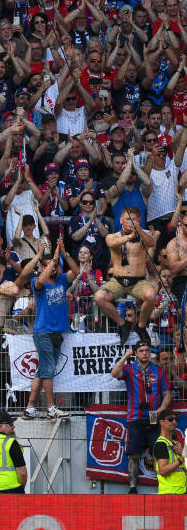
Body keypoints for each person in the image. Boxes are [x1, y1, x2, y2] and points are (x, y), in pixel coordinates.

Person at [111, 341, 171, 493]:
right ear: (136, 353)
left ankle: (163, 486)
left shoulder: (158, 371)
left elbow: (167, 394)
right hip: (135, 418)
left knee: (159, 453)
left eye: (147, 350)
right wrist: (125, 356)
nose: (145, 353)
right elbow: (114, 373)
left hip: (154, 418)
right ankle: (132, 487)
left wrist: (160, 410)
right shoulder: (130, 369)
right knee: (134, 454)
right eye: (141, 350)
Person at [96, 207, 158, 347]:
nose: (131, 222)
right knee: (99, 297)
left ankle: (141, 326)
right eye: (128, 219)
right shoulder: (113, 236)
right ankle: (123, 324)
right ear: (121, 220)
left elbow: (152, 243)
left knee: (151, 295)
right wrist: (129, 236)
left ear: (139, 220)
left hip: (138, 281)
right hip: (118, 281)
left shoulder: (143, 236)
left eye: (135, 219)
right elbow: (112, 243)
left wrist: (139, 231)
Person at [25, 242, 73, 419]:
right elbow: (39, 281)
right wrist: (54, 258)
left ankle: (30, 407)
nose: (54, 267)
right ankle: (51, 407)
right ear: (43, 267)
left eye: (55, 265)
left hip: (56, 333)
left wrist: (64, 254)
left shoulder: (61, 280)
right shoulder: (37, 283)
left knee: (43, 370)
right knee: (48, 369)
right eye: (50, 265)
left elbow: (76, 272)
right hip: (43, 331)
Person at [153, 409, 186, 495]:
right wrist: (182, 458)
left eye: (176, 419)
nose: (174, 422)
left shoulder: (176, 443)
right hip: (169, 494)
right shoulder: (161, 444)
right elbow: (163, 471)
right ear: (162, 422)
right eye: (170, 419)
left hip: (181, 492)